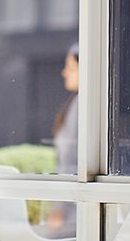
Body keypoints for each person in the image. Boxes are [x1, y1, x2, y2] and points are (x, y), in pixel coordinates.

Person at [47, 42, 79, 238]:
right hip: (73, 204)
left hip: (72, 208)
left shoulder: (81, 104)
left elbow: (69, 160)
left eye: (71, 68)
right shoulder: (77, 103)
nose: (64, 73)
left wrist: (58, 207)